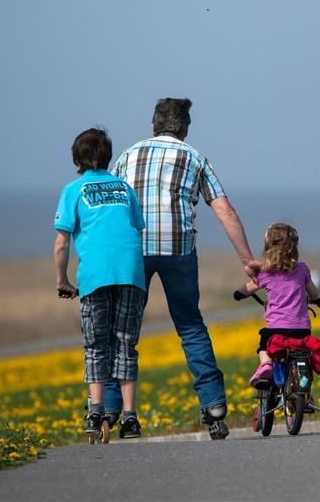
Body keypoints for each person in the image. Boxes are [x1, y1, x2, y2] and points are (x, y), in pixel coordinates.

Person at [105, 98, 261, 439]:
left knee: (123, 331)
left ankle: (113, 408)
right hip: (179, 250)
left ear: (153, 125)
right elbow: (225, 211)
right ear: (185, 129)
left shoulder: (128, 156)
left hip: (135, 250)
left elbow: (110, 207)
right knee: (190, 326)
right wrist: (247, 260)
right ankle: (213, 405)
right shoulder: (195, 157)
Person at [53, 128, 147, 439]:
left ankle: (95, 412)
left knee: (96, 345)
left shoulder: (74, 190)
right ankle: (130, 417)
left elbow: (61, 243)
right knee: (125, 344)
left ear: (76, 159)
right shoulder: (124, 188)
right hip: (131, 273)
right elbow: (135, 228)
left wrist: (62, 280)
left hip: (95, 276)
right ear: (107, 156)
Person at [232, 223, 320, 388]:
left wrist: (239, 294)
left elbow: (247, 289)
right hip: (302, 330)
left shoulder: (265, 272)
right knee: (304, 357)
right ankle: (305, 391)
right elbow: (315, 294)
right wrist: (314, 299)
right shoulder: (302, 270)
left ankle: (266, 364)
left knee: (263, 347)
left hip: (276, 330)